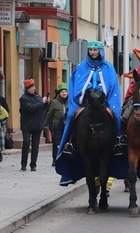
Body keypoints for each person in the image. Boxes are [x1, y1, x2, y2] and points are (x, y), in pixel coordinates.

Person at [56, 40, 123, 186]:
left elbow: (112, 86)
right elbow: (75, 85)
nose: (93, 52)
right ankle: (69, 144)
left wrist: (100, 93)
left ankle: (118, 140)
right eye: (91, 50)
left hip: (104, 102)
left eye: (95, 50)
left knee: (117, 115)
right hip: (84, 102)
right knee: (70, 115)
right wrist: (87, 93)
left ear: (100, 51)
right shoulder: (81, 67)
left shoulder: (108, 67)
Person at [19, 79, 48, 171]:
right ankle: (24, 164)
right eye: (31, 87)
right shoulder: (23, 98)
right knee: (26, 143)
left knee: (35, 145)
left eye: (34, 87)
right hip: (27, 125)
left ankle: (33, 164)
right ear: (27, 89)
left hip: (37, 125)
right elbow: (30, 108)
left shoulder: (38, 97)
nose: (33, 89)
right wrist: (41, 102)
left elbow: (42, 108)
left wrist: (45, 102)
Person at [44, 82, 68, 166]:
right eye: (62, 92)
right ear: (59, 93)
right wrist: (45, 124)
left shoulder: (71, 101)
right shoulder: (54, 102)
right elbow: (49, 114)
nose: (64, 93)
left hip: (67, 125)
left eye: (65, 92)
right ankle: (55, 159)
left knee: (67, 142)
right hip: (56, 126)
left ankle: (65, 158)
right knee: (56, 143)